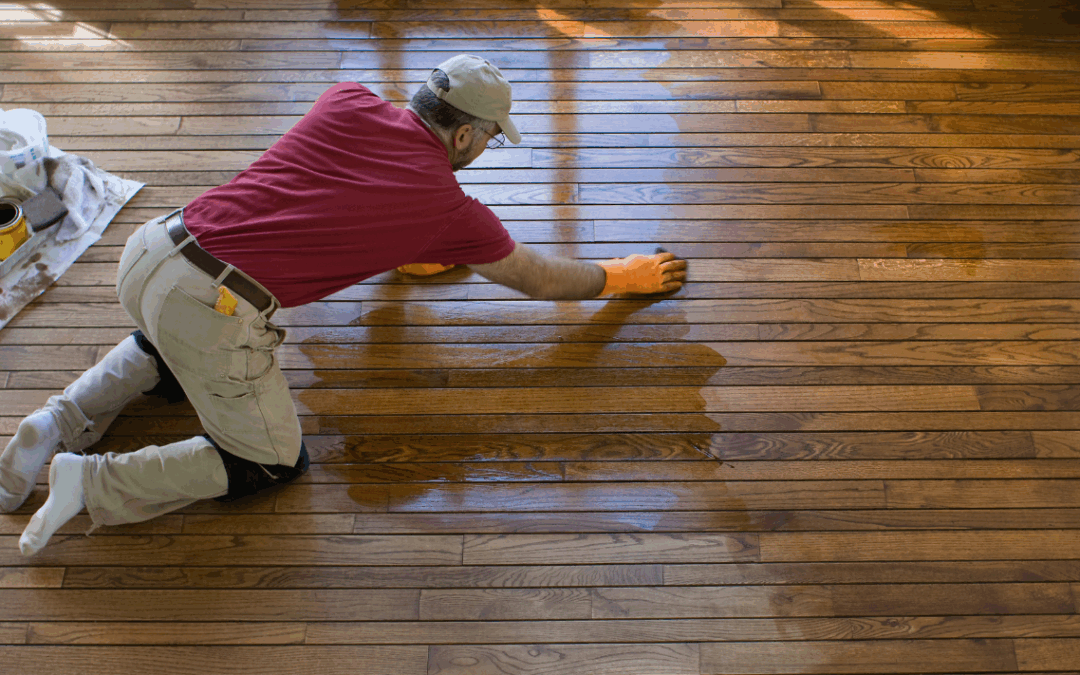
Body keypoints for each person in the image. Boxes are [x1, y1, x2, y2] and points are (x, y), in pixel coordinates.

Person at [0, 55, 687, 556]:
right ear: (465, 137)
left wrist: (409, 247)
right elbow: (538, 280)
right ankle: (88, 480)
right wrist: (620, 276)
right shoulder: (449, 207)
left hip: (153, 250)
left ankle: (54, 419)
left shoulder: (346, 99)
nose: (485, 149)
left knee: (168, 346)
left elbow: (339, 193)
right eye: (489, 137)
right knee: (268, 461)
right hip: (210, 305)